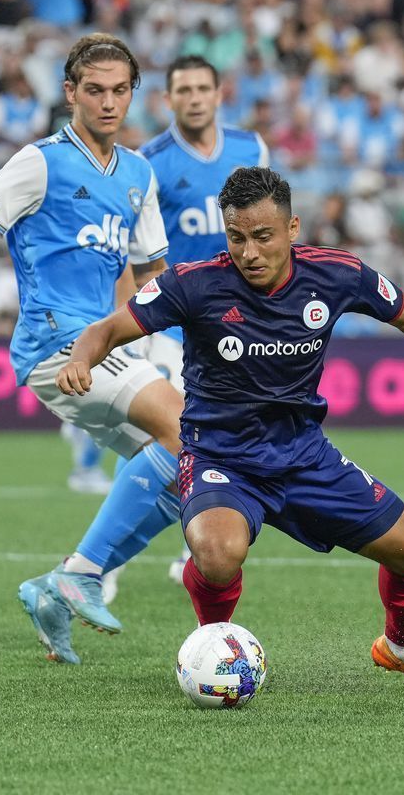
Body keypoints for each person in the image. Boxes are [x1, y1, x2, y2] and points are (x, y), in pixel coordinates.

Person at [54, 167, 404, 693]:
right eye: (237, 238)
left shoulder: (337, 274)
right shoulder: (195, 283)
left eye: (263, 236)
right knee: (217, 553)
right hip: (220, 458)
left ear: (292, 228)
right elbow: (109, 328)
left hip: (304, 456)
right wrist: (82, 360)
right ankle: (215, 646)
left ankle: (402, 649)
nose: (249, 252)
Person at [0, 34, 182, 665]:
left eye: (120, 90)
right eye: (95, 90)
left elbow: (145, 274)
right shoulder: (39, 162)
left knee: (195, 470)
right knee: (183, 429)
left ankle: (58, 586)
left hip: (110, 345)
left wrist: (155, 340)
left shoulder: (139, 174)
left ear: (134, 93)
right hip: (54, 345)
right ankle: (83, 572)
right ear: (70, 93)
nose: (109, 103)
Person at [137, 55, 270, 584]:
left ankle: (203, 535)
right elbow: (141, 252)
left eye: (202, 88)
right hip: (179, 322)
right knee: (178, 434)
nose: (193, 97)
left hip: (244, 319)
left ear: (220, 94)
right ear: (168, 100)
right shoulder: (151, 161)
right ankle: (112, 554)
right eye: (183, 89)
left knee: (238, 431)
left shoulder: (251, 149)